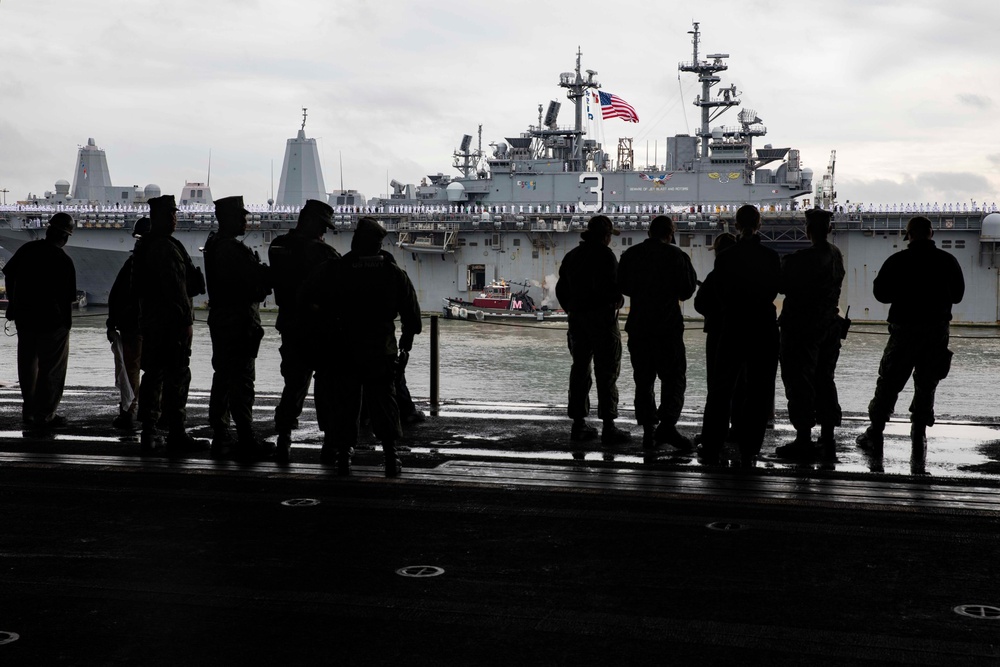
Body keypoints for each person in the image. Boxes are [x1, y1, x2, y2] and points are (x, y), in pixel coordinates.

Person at [302, 217, 421, 476]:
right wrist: (405, 348)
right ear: (378, 245)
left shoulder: (334, 269)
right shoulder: (392, 272)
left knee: (345, 405)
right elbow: (412, 315)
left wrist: (325, 327)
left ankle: (343, 457)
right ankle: (390, 457)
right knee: (384, 403)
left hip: (343, 349)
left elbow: (306, 300)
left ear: (356, 241)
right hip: (380, 350)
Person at [856, 216, 965, 471]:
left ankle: (876, 431)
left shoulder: (898, 260)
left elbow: (880, 293)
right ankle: (918, 434)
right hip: (936, 332)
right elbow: (958, 297)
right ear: (930, 233)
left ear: (909, 235)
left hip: (904, 331)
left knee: (889, 382)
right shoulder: (948, 261)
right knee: (927, 384)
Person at [698, 205, 780, 466]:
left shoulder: (725, 258)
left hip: (733, 325)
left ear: (736, 224)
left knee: (721, 389)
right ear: (759, 224)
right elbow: (774, 291)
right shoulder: (770, 256)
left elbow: (719, 294)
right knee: (758, 391)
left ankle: (711, 445)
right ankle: (750, 448)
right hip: (763, 327)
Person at [132, 194, 207, 454]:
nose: (174, 219)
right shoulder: (166, 247)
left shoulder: (144, 246)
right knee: (177, 376)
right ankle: (176, 431)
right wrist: (186, 322)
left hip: (152, 321)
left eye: (174, 214)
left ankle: (149, 429)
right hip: (172, 323)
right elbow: (177, 289)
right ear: (157, 217)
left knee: (152, 375)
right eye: (169, 214)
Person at [268, 199, 340, 464]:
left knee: (294, 385)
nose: (324, 231)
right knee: (327, 387)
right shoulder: (324, 254)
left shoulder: (277, 246)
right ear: (309, 220)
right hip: (319, 329)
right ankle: (331, 444)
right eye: (322, 225)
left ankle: (284, 439)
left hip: (290, 325)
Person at [617, 215, 698, 450]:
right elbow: (686, 291)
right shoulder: (676, 256)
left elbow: (623, 286)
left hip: (639, 327)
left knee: (643, 380)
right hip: (667, 328)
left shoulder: (631, 255)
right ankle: (668, 426)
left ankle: (649, 429)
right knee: (673, 379)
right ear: (670, 233)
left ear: (649, 232)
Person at [774, 208, 847, 460]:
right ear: (828, 229)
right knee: (825, 379)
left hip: (802, 327)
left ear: (807, 229)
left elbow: (780, 286)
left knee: (799, 380)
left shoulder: (800, 258)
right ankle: (827, 436)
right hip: (830, 325)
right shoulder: (836, 254)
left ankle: (803, 438)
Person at [204, 196, 272, 460]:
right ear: (229, 218)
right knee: (242, 381)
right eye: (242, 217)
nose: (246, 221)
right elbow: (255, 286)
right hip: (239, 322)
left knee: (222, 378)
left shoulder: (214, 244)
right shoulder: (233, 249)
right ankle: (245, 437)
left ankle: (221, 436)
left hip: (222, 320)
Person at [555, 214, 631, 445]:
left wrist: (572, 309)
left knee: (579, 370)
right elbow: (614, 287)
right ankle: (609, 426)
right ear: (606, 236)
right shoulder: (605, 256)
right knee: (607, 372)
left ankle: (578, 425)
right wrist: (617, 300)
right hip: (602, 320)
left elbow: (561, 290)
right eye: (609, 235)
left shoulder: (573, 256)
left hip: (578, 320)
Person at [2, 212, 77, 428]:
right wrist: (66, 326)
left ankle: (29, 411)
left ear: (48, 230)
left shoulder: (27, 250)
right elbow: (67, 299)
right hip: (53, 323)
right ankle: (46, 415)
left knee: (27, 366)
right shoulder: (63, 260)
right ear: (66, 236)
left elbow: (9, 274)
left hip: (25, 319)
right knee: (51, 370)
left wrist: (13, 305)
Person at [106, 217, 150, 430]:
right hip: (152, 324)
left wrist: (111, 322)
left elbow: (115, 295)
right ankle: (151, 413)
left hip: (133, 325)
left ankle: (129, 411)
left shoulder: (132, 263)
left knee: (131, 369)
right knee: (155, 371)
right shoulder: (159, 259)